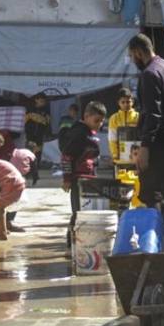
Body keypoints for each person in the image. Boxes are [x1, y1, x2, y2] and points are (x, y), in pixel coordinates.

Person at [127, 34, 164, 238]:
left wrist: (145, 147)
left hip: (158, 143)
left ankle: (157, 239)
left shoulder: (150, 74)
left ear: (139, 53)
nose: (133, 61)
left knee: (152, 194)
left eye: (133, 56)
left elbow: (153, 114)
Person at [59, 101, 104, 248]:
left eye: (102, 121)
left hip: (89, 179)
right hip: (77, 179)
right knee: (78, 212)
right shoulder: (78, 133)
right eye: (96, 120)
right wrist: (66, 179)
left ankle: (82, 243)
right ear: (86, 116)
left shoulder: (91, 134)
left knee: (86, 211)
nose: (100, 124)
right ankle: (71, 244)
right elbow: (67, 156)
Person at [108, 88, 139, 165]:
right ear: (118, 103)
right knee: (120, 177)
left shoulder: (138, 117)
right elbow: (112, 138)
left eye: (128, 102)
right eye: (123, 102)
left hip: (136, 158)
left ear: (133, 102)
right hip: (119, 159)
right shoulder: (114, 118)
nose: (126, 104)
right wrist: (115, 155)